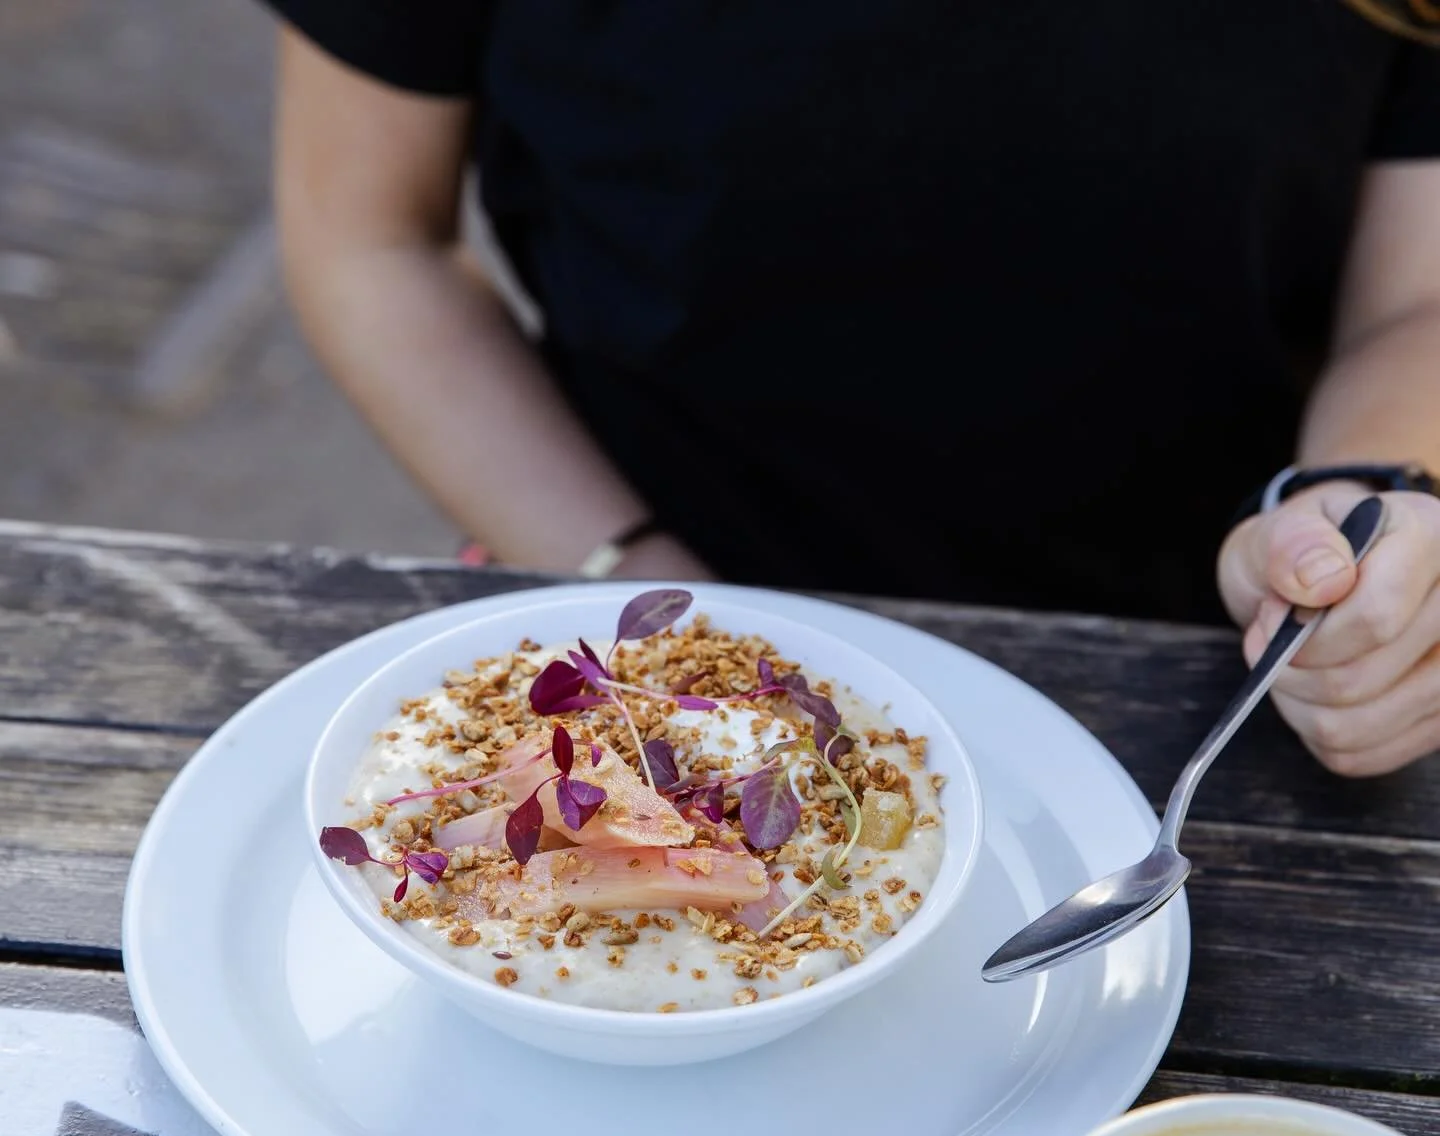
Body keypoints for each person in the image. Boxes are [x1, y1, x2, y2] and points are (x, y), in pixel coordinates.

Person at [261, 0, 1440, 777]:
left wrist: (1357, 518)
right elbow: (370, 239)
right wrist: (644, 582)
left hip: (1213, 674)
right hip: (623, 584)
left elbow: (1411, 304)